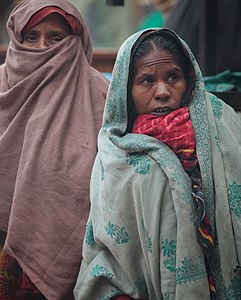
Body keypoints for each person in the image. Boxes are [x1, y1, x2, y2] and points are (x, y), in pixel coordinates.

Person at [0, 0, 109, 299]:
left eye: (55, 37)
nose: (43, 46)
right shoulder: (3, 80)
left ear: (75, 40)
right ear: (17, 39)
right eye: (32, 37)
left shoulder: (97, 90)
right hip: (6, 228)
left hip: (76, 231)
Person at [74, 28, 241, 299]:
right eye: (147, 80)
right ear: (126, 90)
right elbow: (108, 251)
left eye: (172, 77)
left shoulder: (219, 120)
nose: (162, 91)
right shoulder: (115, 151)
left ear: (189, 79)